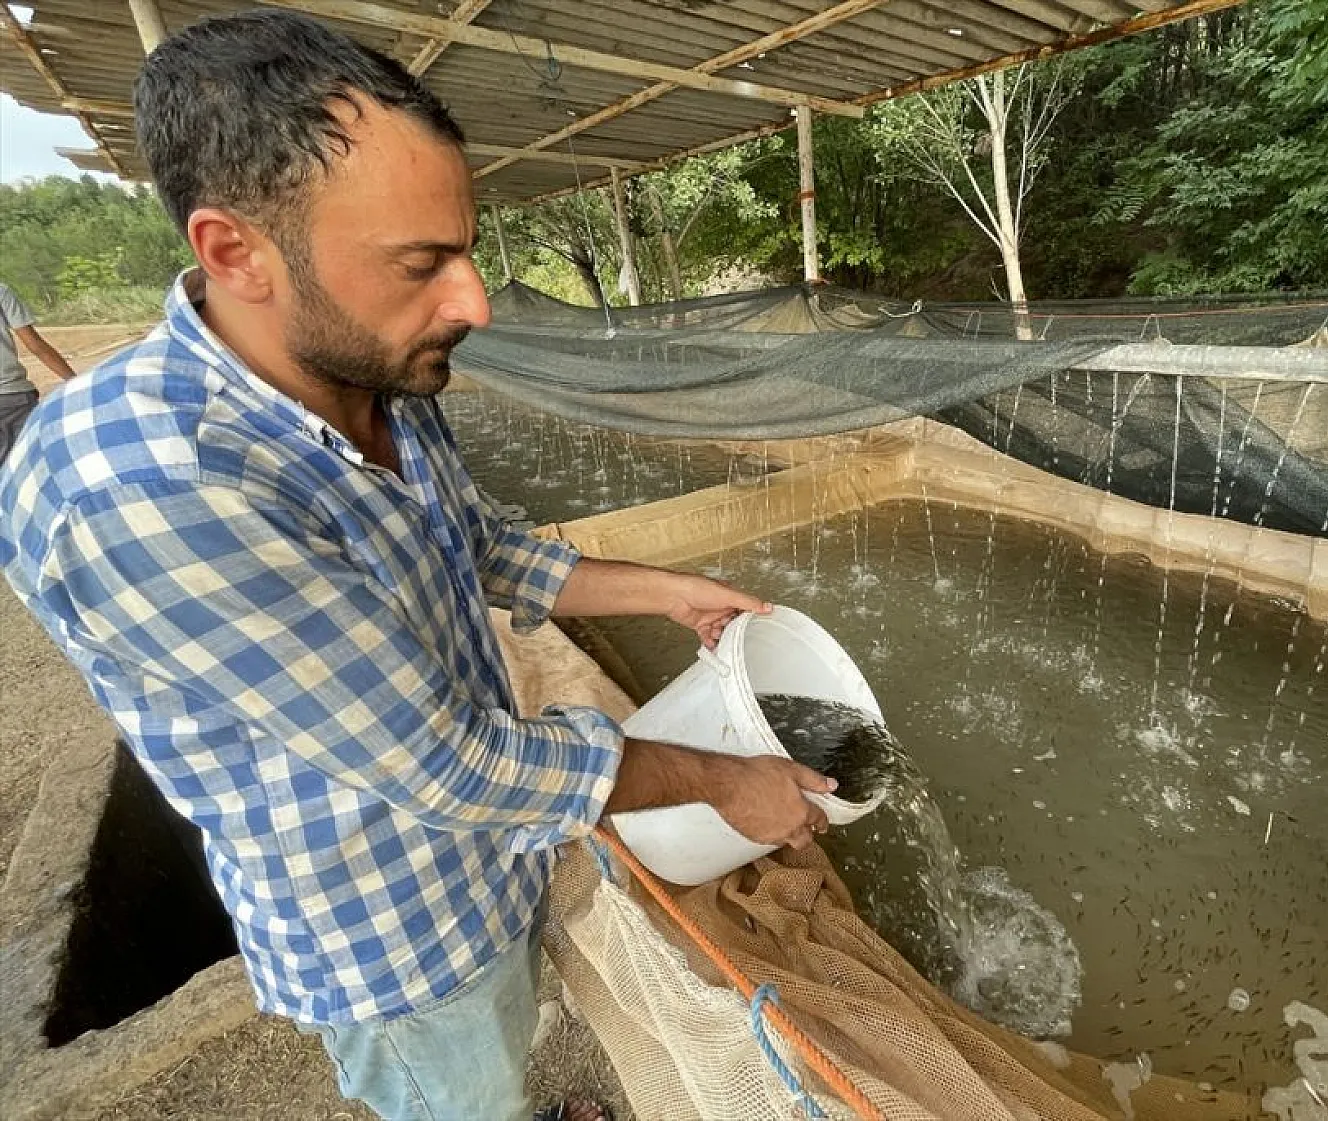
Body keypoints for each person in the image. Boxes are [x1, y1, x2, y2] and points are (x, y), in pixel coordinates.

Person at [0, 12, 834, 1121]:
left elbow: (476, 545)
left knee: (497, 1051)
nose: (476, 303)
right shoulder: (142, 487)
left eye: (464, 248)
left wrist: (668, 590)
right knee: (454, 1090)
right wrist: (730, 780)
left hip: (487, 871)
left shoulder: (368, 371)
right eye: (419, 263)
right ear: (234, 250)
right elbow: (444, 767)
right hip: (388, 929)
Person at [0, 281, 76, 462]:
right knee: (33, 463)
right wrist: (73, 380)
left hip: (13, 398)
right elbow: (35, 344)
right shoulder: (1, 291)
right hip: (14, 398)